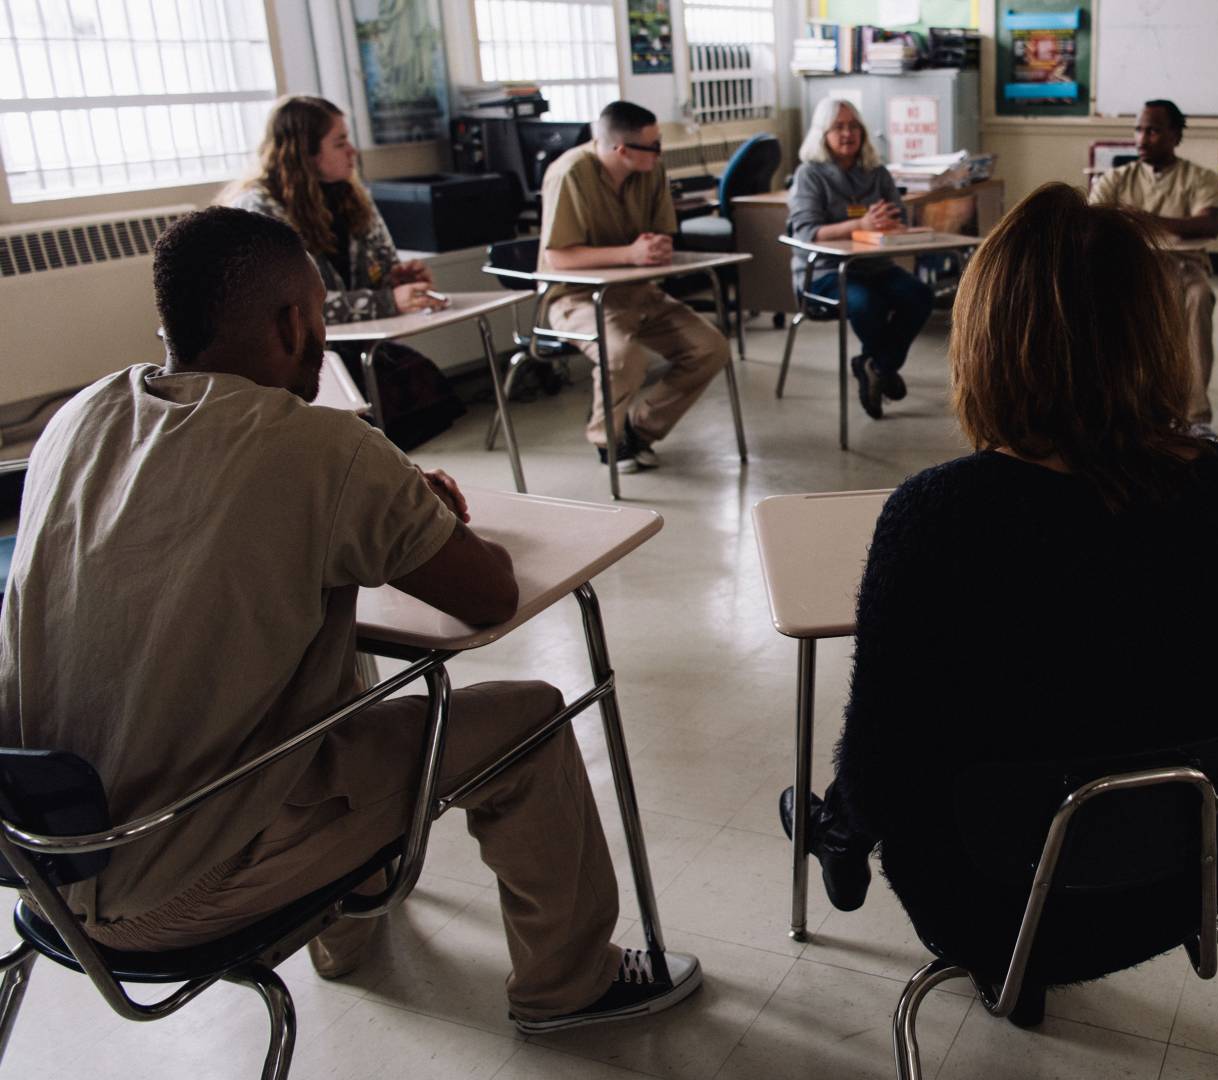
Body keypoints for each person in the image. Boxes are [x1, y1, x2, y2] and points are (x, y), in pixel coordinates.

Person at [0, 207, 696, 1034]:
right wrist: (409, 510)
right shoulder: (322, 449)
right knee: (532, 720)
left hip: (43, 860)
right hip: (180, 882)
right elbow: (488, 597)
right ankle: (570, 983)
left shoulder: (80, 417)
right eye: (319, 315)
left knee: (324, 672)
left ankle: (347, 939)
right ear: (295, 321)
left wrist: (384, 507)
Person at [777, 183, 1218, 1023]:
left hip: (988, 899)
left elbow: (882, 757)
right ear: (1152, 331)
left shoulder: (942, 515)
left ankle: (833, 837)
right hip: (1176, 880)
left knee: (880, 774)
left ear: (986, 337)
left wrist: (848, 819)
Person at [220, 95, 463, 450]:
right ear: (304, 151)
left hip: (352, 343)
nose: (353, 151)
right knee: (380, 398)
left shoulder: (351, 196)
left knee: (420, 385)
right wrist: (386, 301)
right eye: (340, 142)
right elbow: (293, 310)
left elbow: (379, 270)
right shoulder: (258, 210)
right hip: (292, 357)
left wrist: (398, 281)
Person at [539, 100, 731, 472]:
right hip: (577, 298)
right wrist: (630, 253)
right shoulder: (569, 174)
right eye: (654, 146)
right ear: (621, 150)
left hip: (640, 292)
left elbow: (661, 232)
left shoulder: (651, 171)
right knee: (623, 357)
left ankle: (639, 429)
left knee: (710, 347)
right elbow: (559, 258)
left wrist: (657, 248)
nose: (660, 153)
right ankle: (606, 439)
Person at [1090, 99, 1218, 437]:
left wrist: (1139, 218)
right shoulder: (1117, 178)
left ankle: (1195, 417)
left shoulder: (1199, 178)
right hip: (1126, 264)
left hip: (1181, 265)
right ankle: (1112, 405)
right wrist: (1167, 225)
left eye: (1153, 130)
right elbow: (1094, 221)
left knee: (1198, 297)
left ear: (1175, 135)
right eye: (1139, 129)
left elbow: (1209, 225)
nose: (1142, 138)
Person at [785, 97, 936, 421]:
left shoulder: (877, 172)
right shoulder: (809, 175)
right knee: (868, 304)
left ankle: (875, 366)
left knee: (920, 295)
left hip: (875, 264)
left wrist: (889, 224)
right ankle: (884, 368)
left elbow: (901, 220)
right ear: (822, 134)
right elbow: (807, 232)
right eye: (838, 127)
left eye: (854, 126)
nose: (847, 133)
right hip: (825, 271)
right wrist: (860, 225)